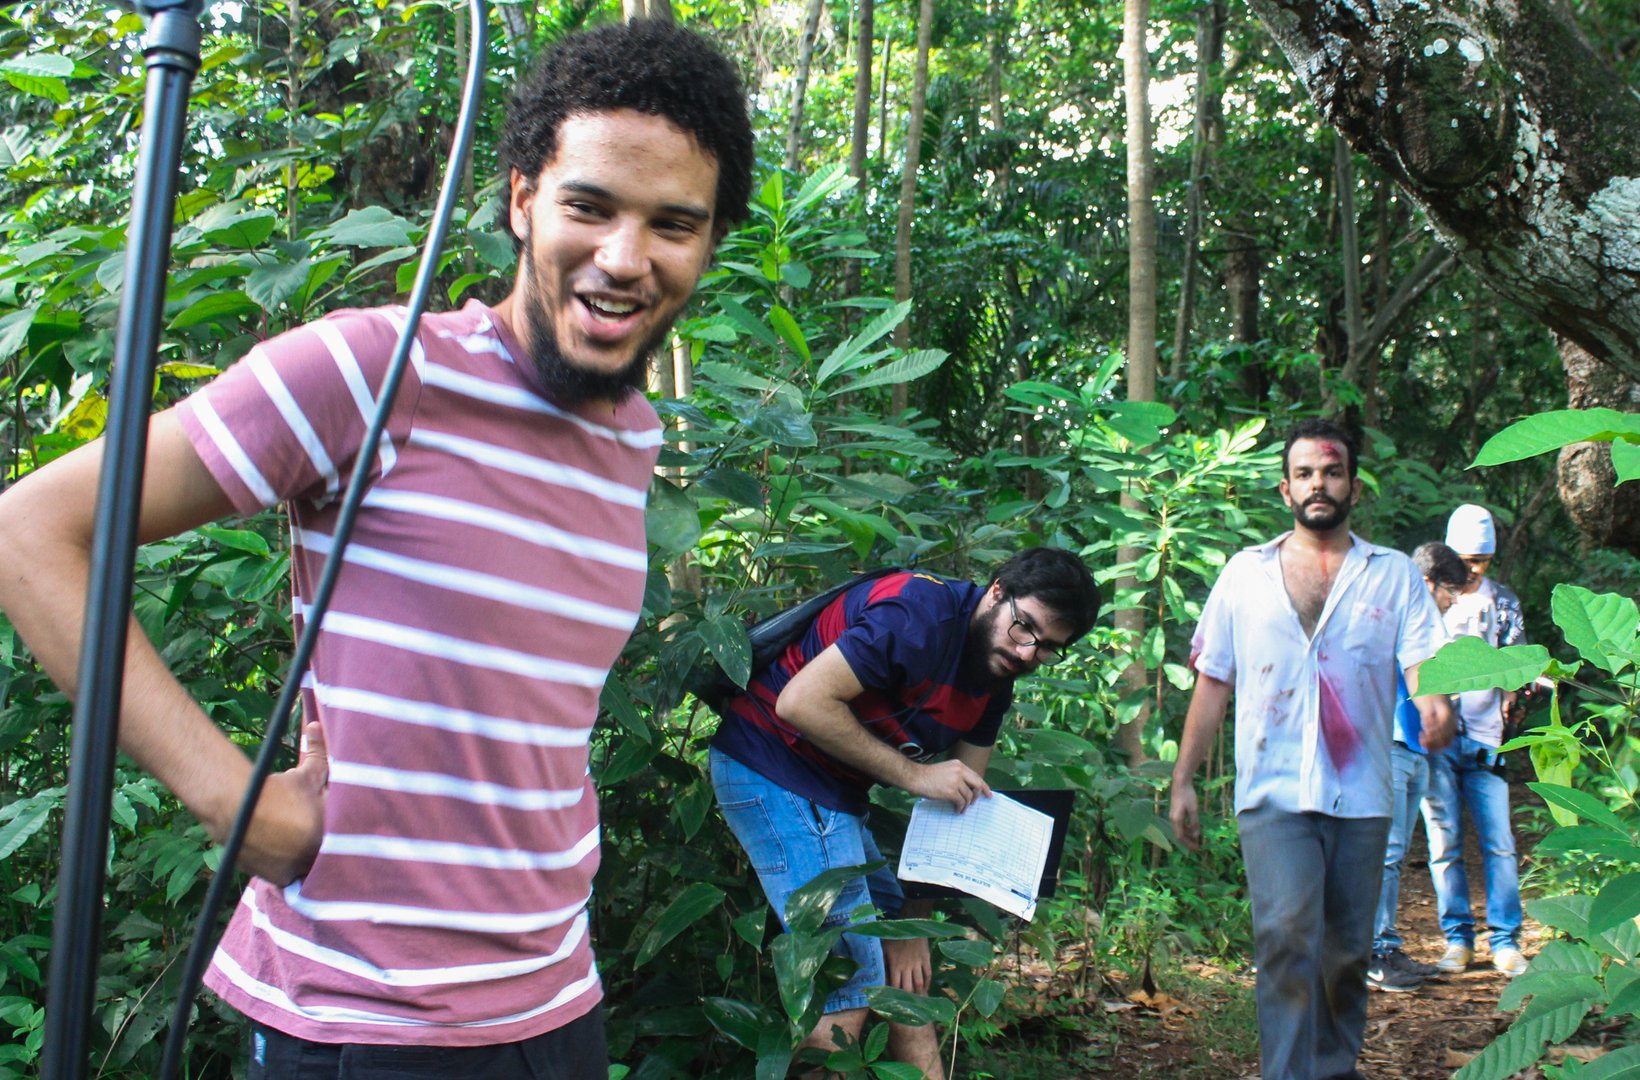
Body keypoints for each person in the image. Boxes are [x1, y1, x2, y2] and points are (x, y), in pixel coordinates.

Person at [0, 20, 754, 1075]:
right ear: (522, 198)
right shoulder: (377, 370)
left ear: (709, 241)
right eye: (590, 205)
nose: (625, 258)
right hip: (369, 1022)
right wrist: (231, 795)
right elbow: (33, 531)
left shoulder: (630, 437)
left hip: (555, 1004)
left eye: (673, 224)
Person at [708, 549, 1100, 1079]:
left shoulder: (997, 673)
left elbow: (960, 802)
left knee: (907, 979)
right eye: (1025, 627)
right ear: (997, 590)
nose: (1028, 652)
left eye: (1048, 648)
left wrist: (912, 920)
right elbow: (800, 703)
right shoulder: (918, 615)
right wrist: (916, 775)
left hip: (837, 795)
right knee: (847, 990)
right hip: (771, 761)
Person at [1168, 419, 1453, 1080]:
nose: (1318, 485)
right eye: (1304, 474)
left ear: (1353, 485)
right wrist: (1183, 780)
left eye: (1330, 472)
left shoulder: (1394, 579)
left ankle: (1332, 1065)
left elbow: (1424, 671)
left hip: (1360, 792)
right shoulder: (1245, 575)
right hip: (1273, 792)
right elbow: (1213, 681)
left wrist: (1436, 708)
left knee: (1347, 949)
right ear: (1284, 488)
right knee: (1287, 936)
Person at [1423, 504, 1531, 977]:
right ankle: (1458, 940)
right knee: (1443, 842)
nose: (1471, 569)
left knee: (1500, 841)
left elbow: (1517, 662)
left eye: (1481, 560)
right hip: (1437, 737)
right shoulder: (1425, 599)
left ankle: (1506, 939)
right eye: (1464, 558)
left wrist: (1517, 695)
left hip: (1488, 737)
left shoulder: (1502, 602)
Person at [1365, 542, 1470, 994]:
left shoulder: (1425, 626)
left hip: (1413, 746)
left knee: (1395, 855)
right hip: (1386, 743)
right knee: (1382, 853)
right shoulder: (1389, 614)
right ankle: (1368, 952)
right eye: (1449, 590)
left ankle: (1386, 945)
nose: (1451, 601)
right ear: (1427, 583)